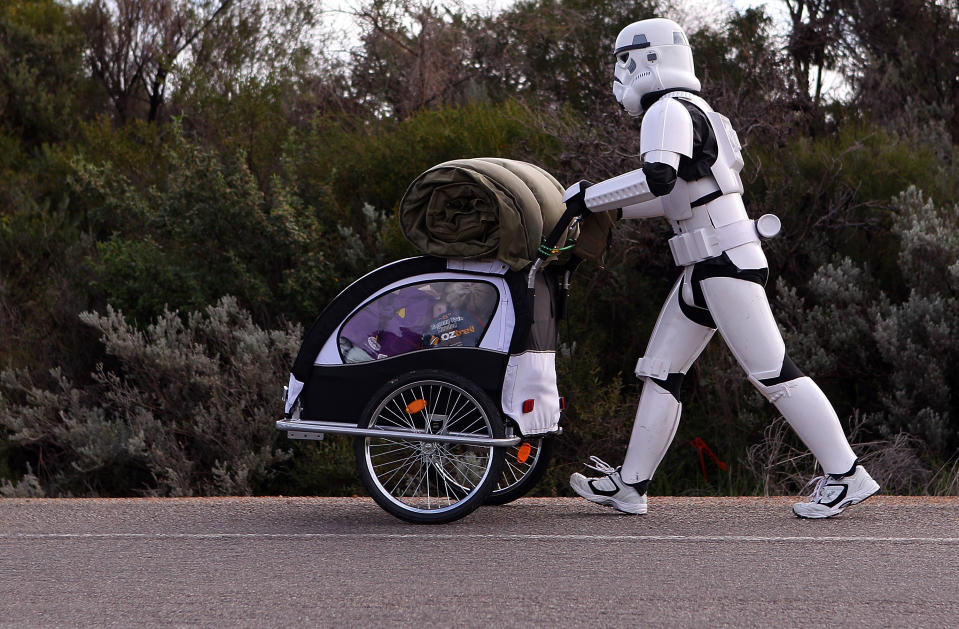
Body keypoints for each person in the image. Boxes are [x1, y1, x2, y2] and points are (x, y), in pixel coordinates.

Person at [561, 17, 879, 519]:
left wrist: (589, 196)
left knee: (772, 372)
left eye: (625, 59)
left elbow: (659, 178)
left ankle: (846, 473)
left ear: (649, 57)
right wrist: (611, 207)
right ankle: (630, 486)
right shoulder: (698, 111)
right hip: (707, 266)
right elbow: (683, 192)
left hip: (723, 261)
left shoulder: (666, 109)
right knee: (661, 372)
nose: (621, 72)